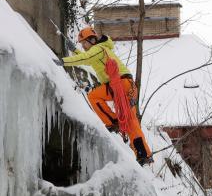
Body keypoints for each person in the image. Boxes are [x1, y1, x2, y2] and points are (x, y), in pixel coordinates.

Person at [63, 26, 153, 165]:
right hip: (129, 86)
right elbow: (88, 59)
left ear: (91, 40)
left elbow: (86, 57)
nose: (83, 46)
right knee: (131, 123)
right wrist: (74, 50)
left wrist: (64, 61)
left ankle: (113, 122)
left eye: (84, 43)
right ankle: (143, 154)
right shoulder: (103, 49)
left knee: (93, 96)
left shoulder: (97, 49)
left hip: (119, 85)